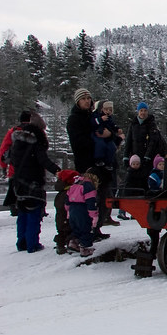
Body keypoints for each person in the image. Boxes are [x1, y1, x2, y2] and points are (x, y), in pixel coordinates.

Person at [9, 112, 61, 252]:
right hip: (33, 182)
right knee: (33, 213)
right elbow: (43, 160)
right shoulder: (37, 142)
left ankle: (21, 243)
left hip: (19, 182)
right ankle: (32, 244)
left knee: (23, 213)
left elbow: (10, 159)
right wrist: (57, 171)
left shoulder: (18, 141)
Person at [66, 88, 115, 235]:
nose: (87, 101)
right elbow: (78, 142)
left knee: (103, 197)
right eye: (84, 99)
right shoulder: (75, 119)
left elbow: (109, 131)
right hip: (86, 163)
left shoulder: (93, 116)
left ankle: (97, 227)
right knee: (89, 198)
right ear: (78, 101)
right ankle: (86, 231)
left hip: (101, 162)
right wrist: (97, 139)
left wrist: (109, 135)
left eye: (89, 98)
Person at [122, 102, 164, 178]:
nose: (143, 113)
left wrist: (147, 156)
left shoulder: (151, 124)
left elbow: (153, 141)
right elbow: (128, 141)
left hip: (147, 157)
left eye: (145, 111)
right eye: (141, 110)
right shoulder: (133, 124)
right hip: (135, 156)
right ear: (138, 112)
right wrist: (126, 156)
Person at [1, 110, 31, 214]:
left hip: (15, 168)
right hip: (31, 169)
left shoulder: (13, 131)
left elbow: (3, 150)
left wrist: (4, 166)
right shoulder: (36, 131)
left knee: (13, 187)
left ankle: (14, 207)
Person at [66, 169, 101, 258]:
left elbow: (67, 200)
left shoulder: (75, 185)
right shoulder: (88, 186)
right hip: (82, 210)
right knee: (86, 228)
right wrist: (94, 215)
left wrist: (68, 211)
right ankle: (85, 248)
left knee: (76, 228)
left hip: (72, 209)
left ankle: (73, 242)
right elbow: (91, 202)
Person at [91, 99, 123, 172]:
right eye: (106, 109)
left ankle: (108, 162)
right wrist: (101, 120)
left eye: (110, 110)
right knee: (100, 145)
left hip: (107, 138)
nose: (108, 112)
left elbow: (112, 125)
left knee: (112, 147)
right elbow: (93, 123)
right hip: (98, 135)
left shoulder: (109, 118)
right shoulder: (96, 116)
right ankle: (98, 159)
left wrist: (117, 129)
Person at [53, 168, 79, 253]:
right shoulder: (68, 193)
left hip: (60, 218)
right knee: (68, 231)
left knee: (61, 231)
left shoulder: (61, 193)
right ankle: (69, 243)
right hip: (66, 217)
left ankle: (60, 244)